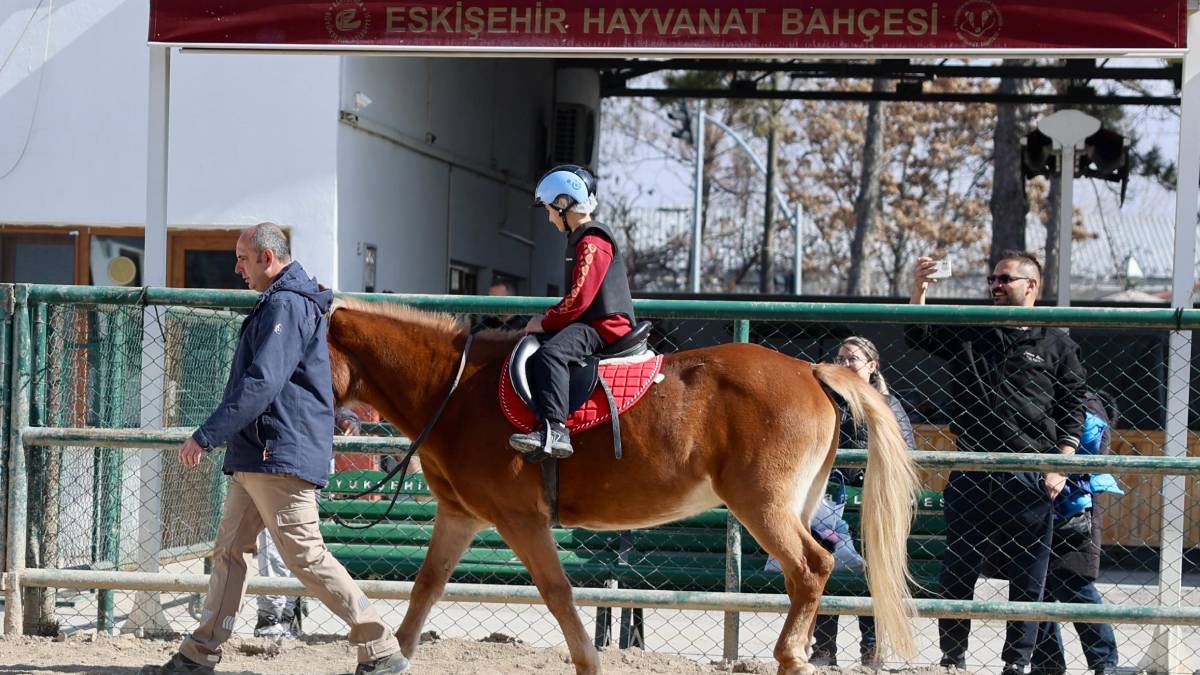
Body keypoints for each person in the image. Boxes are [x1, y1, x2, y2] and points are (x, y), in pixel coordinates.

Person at [142, 223, 407, 675]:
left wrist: (207, 434)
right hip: (261, 452)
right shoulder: (288, 302)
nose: (237, 268)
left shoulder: (285, 303)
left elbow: (263, 380)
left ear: (268, 257)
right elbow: (305, 378)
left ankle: (380, 645)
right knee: (229, 552)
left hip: (274, 453)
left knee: (305, 556)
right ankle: (200, 652)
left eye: (243, 259)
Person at [907, 251, 1087, 675]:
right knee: (957, 572)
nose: (995, 285)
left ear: (1032, 286)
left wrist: (1060, 464)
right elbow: (918, 333)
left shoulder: (1057, 342)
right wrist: (919, 289)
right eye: (992, 279)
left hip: (1029, 476)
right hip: (971, 469)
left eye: (1005, 279)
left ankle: (1016, 665)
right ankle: (952, 659)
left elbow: (1074, 406)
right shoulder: (972, 330)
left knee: (1028, 579)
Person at [508, 165, 635, 459]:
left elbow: (579, 299)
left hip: (604, 326)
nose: (550, 218)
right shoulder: (581, 240)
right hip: (593, 322)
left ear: (564, 203)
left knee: (551, 354)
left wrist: (545, 321)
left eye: (551, 210)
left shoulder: (592, 242)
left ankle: (555, 429)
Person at [810, 336, 916, 668]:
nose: (843, 366)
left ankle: (872, 649)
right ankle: (824, 648)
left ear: (872, 366)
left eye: (851, 359)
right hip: (831, 501)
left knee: (872, 574)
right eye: (838, 359)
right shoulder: (825, 400)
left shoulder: (887, 404)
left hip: (873, 500)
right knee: (826, 570)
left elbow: (906, 450)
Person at [1031, 391, 1121, 675]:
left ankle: (1104, 662)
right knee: (1037, 589)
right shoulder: (1041, 395)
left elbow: (1092, 446)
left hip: (1073, 508)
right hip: (1040, 504)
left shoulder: (1084, 403)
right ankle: (1048, 664)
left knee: (1076, 586)